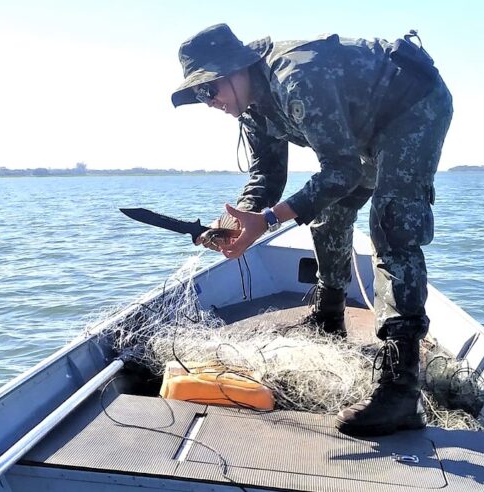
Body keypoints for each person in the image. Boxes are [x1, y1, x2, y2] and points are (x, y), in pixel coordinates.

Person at [171, 24, 452, 437]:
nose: (208, 102)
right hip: (362, 132)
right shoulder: (251, 108)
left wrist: (269, 220)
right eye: (199, 95)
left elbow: (341, 170)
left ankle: (400, 388)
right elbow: (267, 175)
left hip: (413, 107)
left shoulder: (296, 77)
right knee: (327, 215)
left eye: (209, 89)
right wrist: (237, 223)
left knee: (392, 225)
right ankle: (329, 316)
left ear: (236, 70)